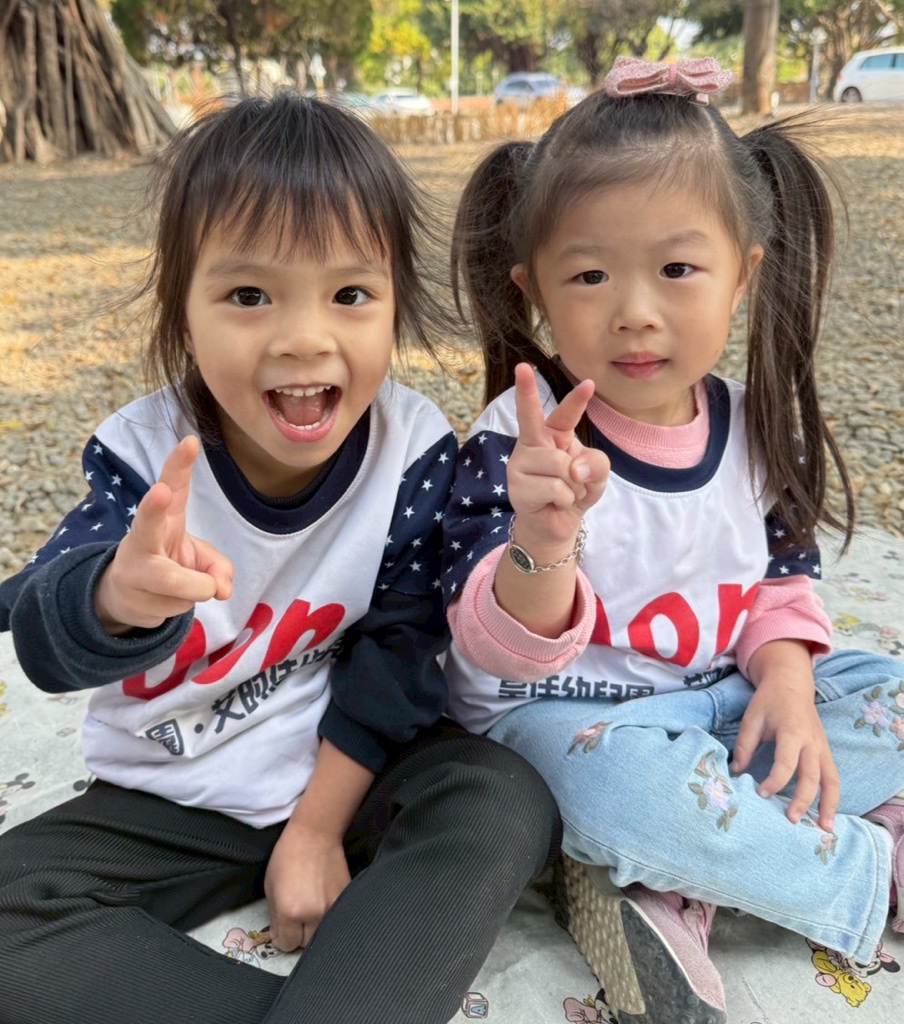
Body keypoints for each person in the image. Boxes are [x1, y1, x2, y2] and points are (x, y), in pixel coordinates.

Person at [0, 94, 560, 1024]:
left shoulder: (411, 448)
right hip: (173, 796)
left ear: (395, 306)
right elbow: (44, 634)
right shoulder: (145, 457)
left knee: (500, 798)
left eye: (350, 294)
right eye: (249, 296)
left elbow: (401, 654)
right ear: (183, 313)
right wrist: (115, 597)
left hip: (350, 772)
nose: (303, 337)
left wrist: (316, 829)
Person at [441, 56, 904, 1024]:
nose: (635, 312)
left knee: (881, 689)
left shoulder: (750, 421)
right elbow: (492, 647)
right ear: (534, 290)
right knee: (616, 793)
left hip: (723, 705)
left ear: (744, 274)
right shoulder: (517, 444)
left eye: (678, 269)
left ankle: (675, 875)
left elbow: (782, 580)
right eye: (590, 275)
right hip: (570, 721)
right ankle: (865, 868)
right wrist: (543, 538)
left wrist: (786, 682)